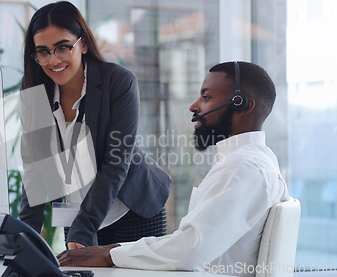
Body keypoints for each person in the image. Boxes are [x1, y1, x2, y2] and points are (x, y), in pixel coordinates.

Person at [57, 61, 290, 275]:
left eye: (206, 97)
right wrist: (114, 250)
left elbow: (190, 248)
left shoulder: (242, 168)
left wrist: (110, 254)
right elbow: (189, 243)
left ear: (242, 104)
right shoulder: (256, 161)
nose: (194, 106)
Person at [18, 1, 171, 250]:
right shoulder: (33, 87)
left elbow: (116, 162)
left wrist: (83, 228)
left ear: (84, 44)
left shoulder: (119, 81)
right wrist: (25, 235)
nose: (52, 60)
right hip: (77, 213)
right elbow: (36, 165)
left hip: (130, 210)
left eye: (63, 48)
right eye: (43, 51)